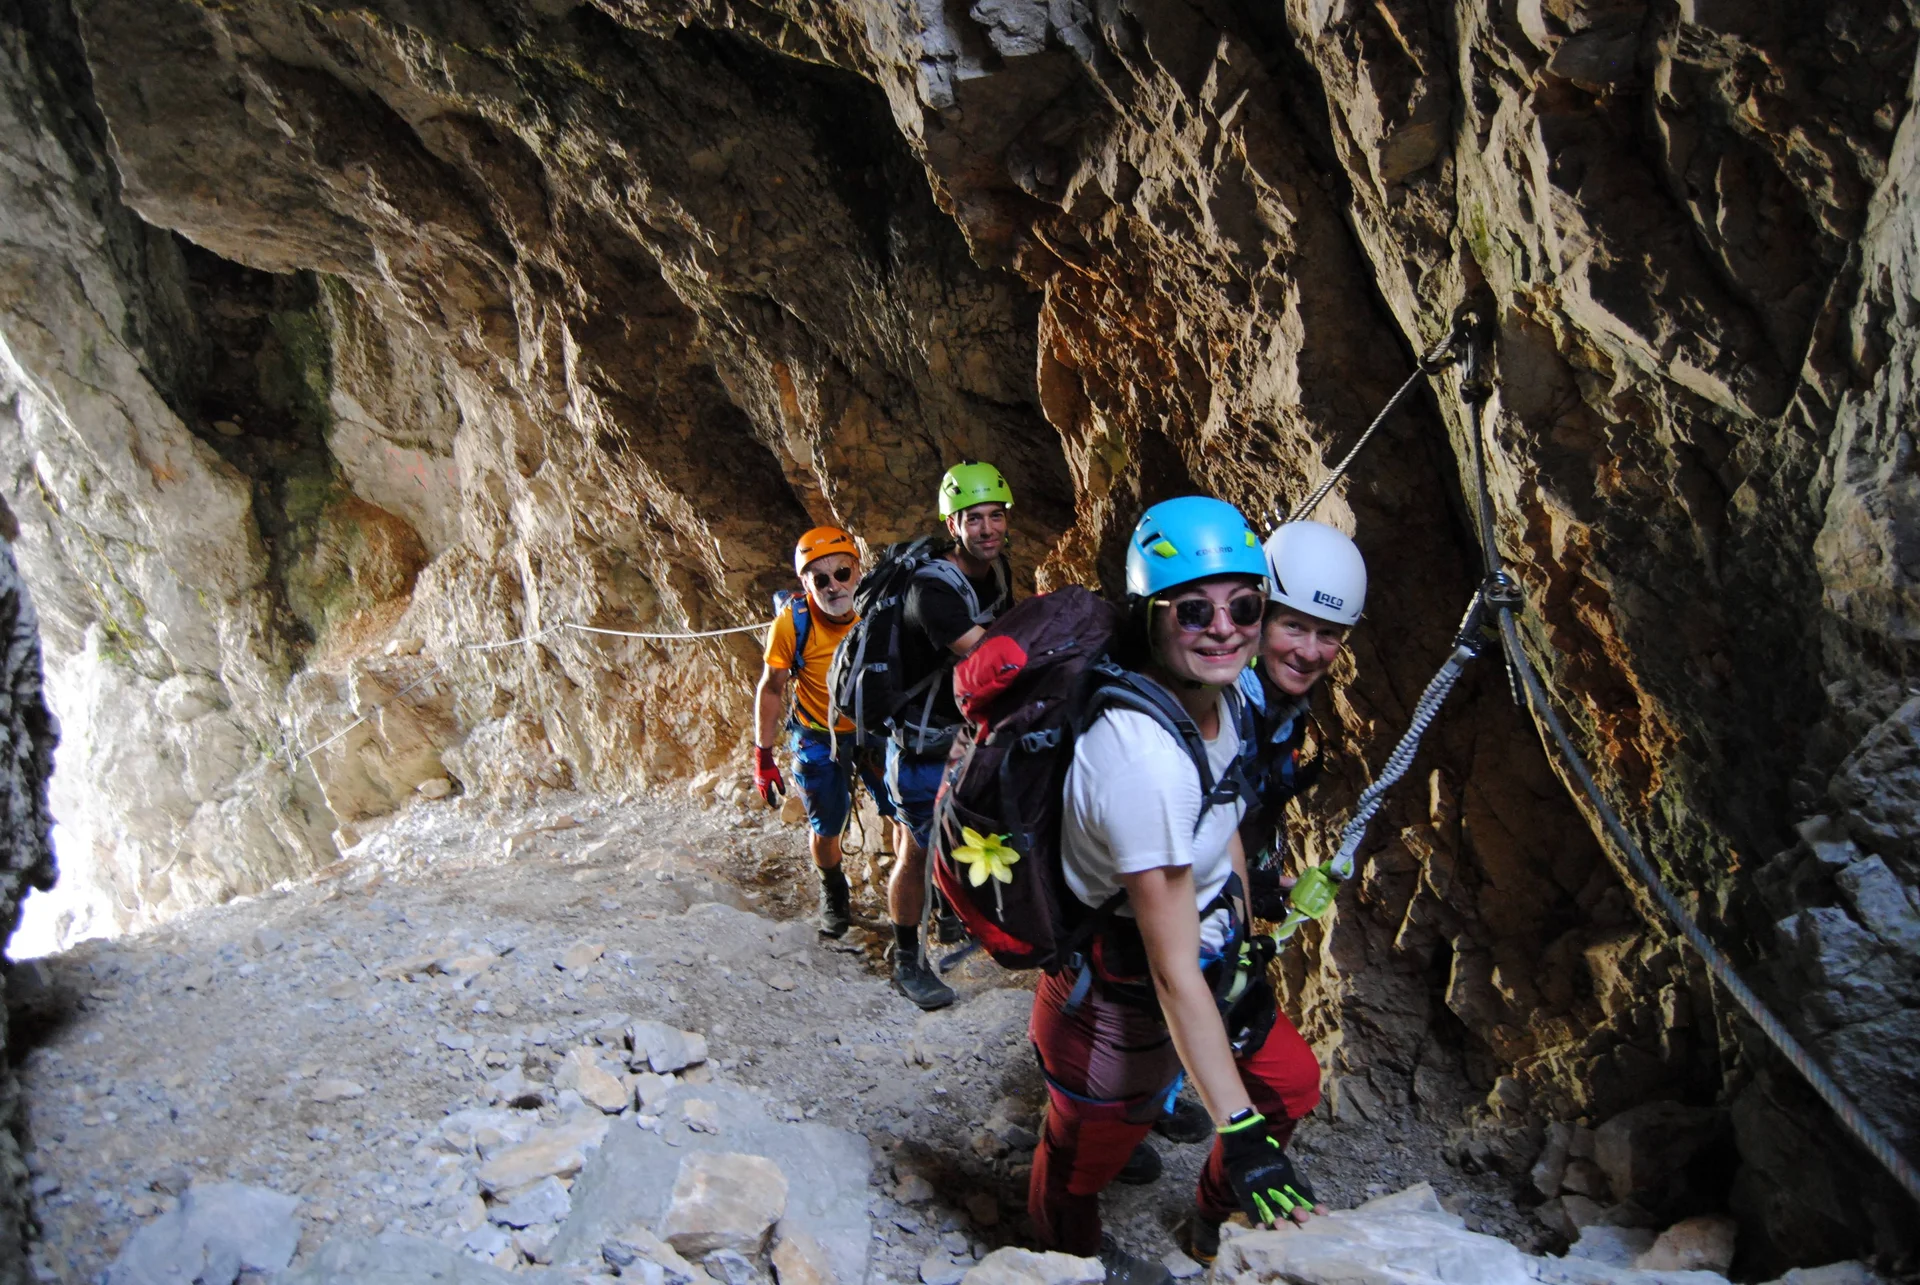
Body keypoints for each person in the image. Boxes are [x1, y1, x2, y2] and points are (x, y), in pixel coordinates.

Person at [1028, 497, 1324, 1285]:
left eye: (1244, 606)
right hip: (1116, 991)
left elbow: (1224, 811)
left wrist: (1246, 909)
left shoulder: (1225, 698)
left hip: (1208, 956)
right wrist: (1241, 1130)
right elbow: (1170, 969)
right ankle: (1067, 1256)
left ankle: (1210, 1218)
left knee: (1290, 1085)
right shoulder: (1143, 762)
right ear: (1151, 616)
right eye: (1194, 610)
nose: (1224, 628)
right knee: (1087, 1156)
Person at [885, 461, 1014, 1010]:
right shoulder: (931, 589)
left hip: (965, 735)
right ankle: (906, 960)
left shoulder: (998, 570)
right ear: (952, 524)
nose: (987, 529)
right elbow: (990, 655)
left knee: (962, 836)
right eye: (973, 518)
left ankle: (951, 914)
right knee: (917, 851)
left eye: (995, 516)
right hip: (922, 743)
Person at [753, 526, 896, 937]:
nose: (834, 586)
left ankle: (922, 889)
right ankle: (833, 891)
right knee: (826, 824)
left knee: (903, 812)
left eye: (842, 573)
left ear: (858, 570)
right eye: (820, 579)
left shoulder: (880, 611)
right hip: (819, 733)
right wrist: (763, 755)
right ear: (806, 584)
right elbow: (772, 688)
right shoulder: (791, 625)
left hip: (875, 728)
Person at [1237, 520, 1367, 917]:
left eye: (1327, 634)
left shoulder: (1287, 713)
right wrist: (1251, 886)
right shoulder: (1216, 706)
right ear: (1261, 619)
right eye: (1294, 626)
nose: (1310, 652)